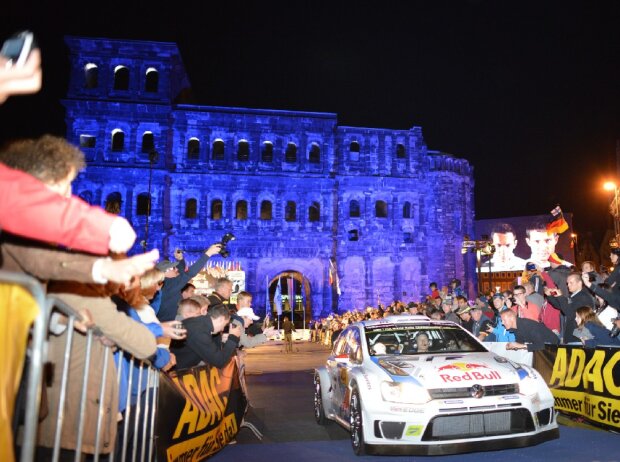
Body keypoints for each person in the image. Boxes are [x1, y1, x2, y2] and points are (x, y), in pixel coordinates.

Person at [156, 245, 221, 322]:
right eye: (173, 268)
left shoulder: (167, 283)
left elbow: (181, 271)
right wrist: (208, 254)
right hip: (166, 327)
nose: (176, 269)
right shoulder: (168, 285)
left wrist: (180, 259)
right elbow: (189, 273)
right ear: (165, 272)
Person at [172, 300, 242, 370]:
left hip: (180, 370)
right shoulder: (200, 331)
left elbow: (215, 351)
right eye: (224, 325)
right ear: (221, 319)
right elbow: (219, 361)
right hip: (176, 374)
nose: (222, 329)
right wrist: (233, 337)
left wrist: (225, 341)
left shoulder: (201, 324)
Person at [546, 272, 595, 343]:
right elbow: (561, 306)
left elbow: (570, 313)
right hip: (573, 334)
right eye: (567, 283)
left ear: (579, 283)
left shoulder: (583, 297)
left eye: (571, 283)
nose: (568, 285)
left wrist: (560, 297)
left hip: (578, 337)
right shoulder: (575, 295)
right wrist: (550, 296)